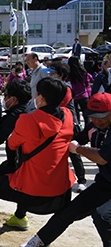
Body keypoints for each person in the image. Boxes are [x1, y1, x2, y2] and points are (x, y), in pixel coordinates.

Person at [0, 77, 75, 241]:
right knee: (24, 169)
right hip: (60, 187)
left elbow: (12, 144)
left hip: (34, 190)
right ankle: (19, 217)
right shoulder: (67, 116)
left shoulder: (28, 120)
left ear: (40, 97)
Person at [21, 92, 111, 247]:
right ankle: (37, 242)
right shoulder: (94, 126)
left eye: (101, 116)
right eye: (92, 116)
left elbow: (101, 158)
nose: (96, 120)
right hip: (105, 183)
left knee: (102, 215)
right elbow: (75, 138)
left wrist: (79, 149)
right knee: (67, 213)